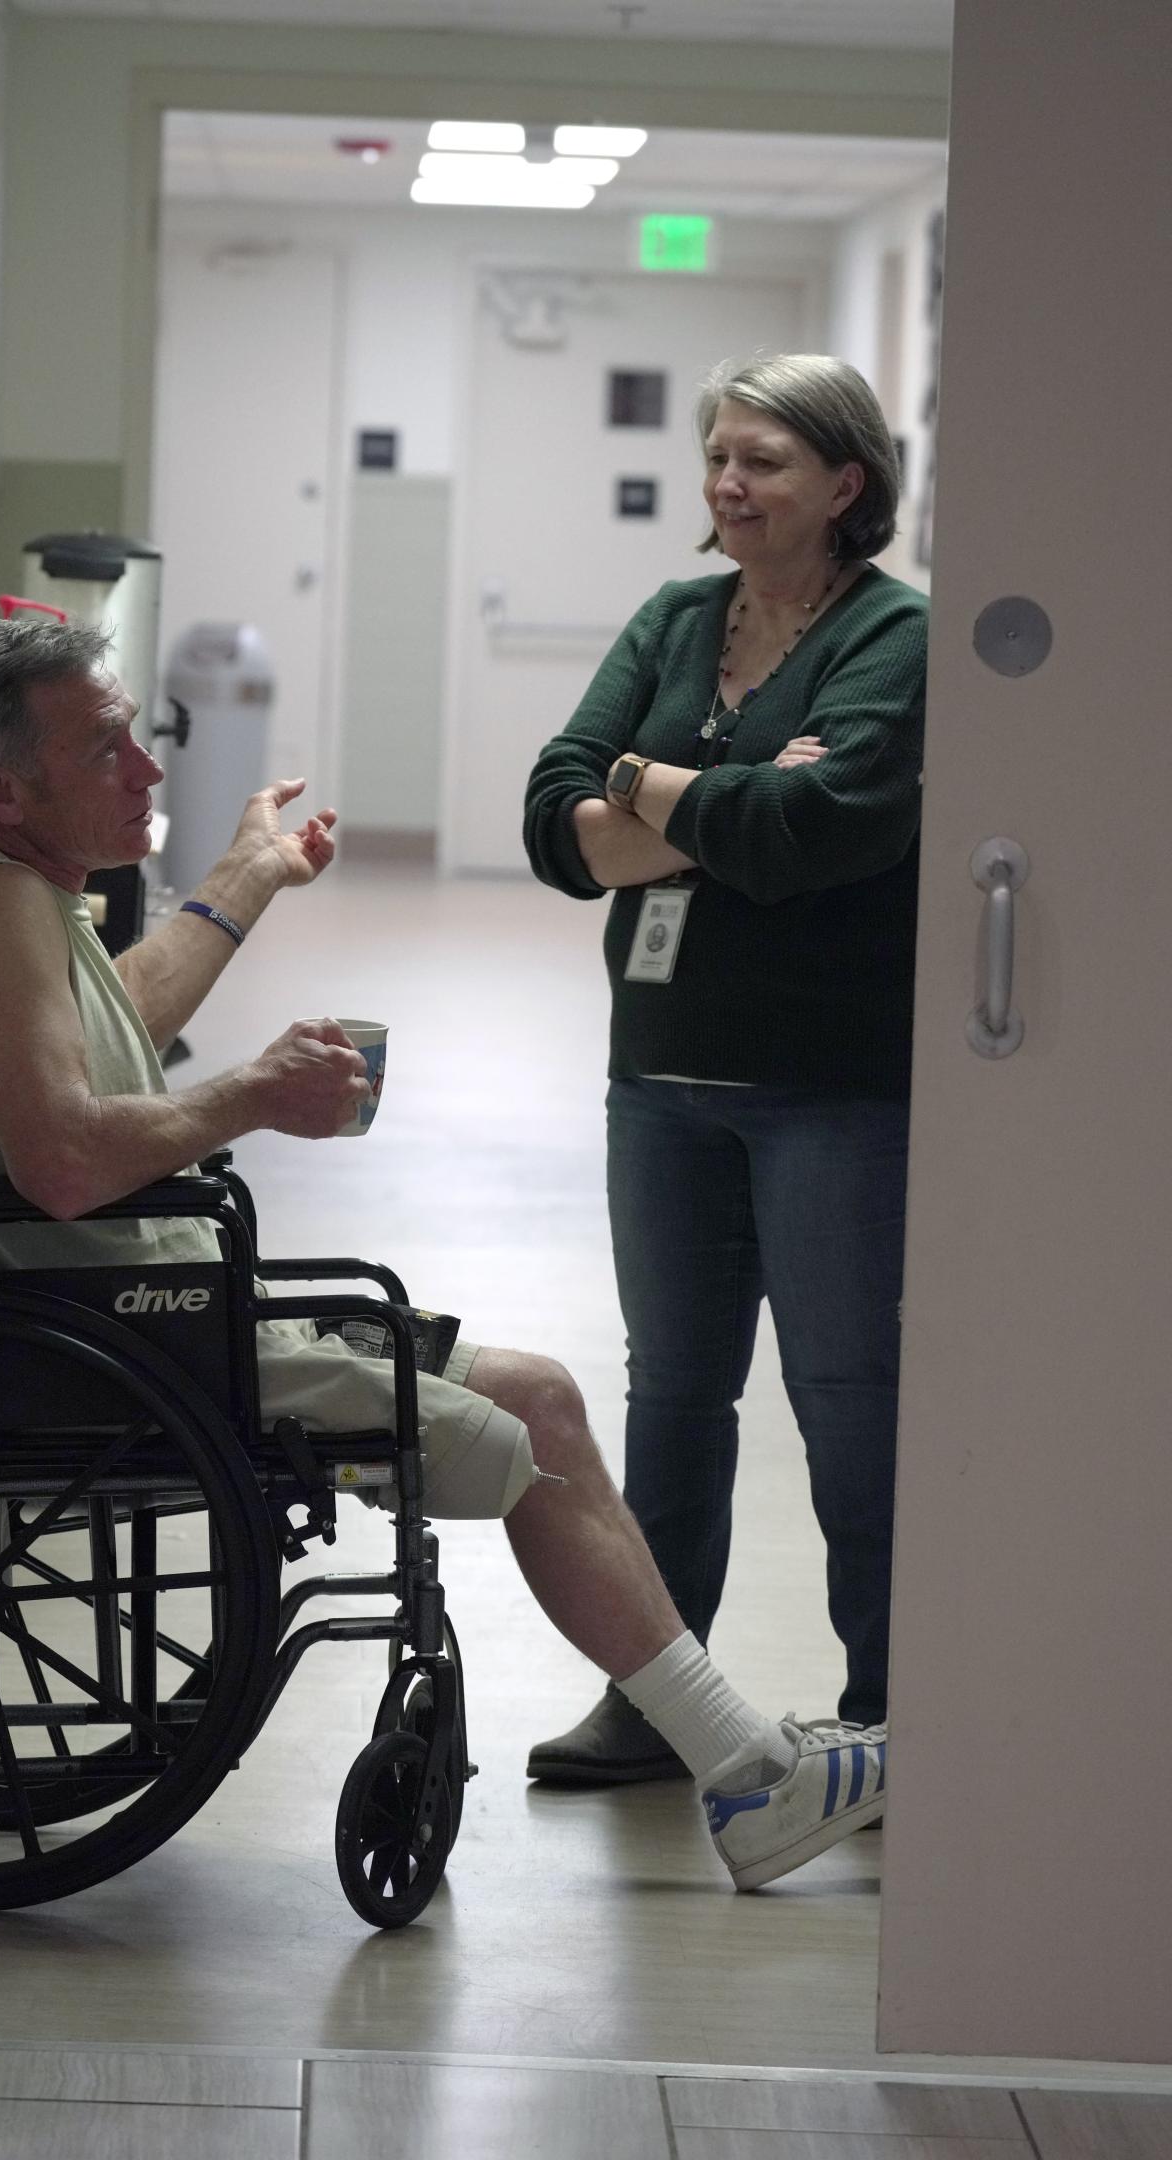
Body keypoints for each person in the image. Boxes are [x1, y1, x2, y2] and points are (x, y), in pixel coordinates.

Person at [0, 614, 887, 1892]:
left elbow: (123, 1028)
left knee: (541, 1390)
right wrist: (252, 1097)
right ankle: (752, 1777)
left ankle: (740, 1762)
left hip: (142, 1307)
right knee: (535, 1428)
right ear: (2, 788)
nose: (149, 767)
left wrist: (247, 878)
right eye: (109, 749)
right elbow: (62, 1160)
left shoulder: (7, 892)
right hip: (112, 1338)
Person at [522, 354, 925, 1785]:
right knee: (674, 1400)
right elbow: (551, 815)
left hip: (831, 1088)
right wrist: (711, 804)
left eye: (762, 461)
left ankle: (890, 1711)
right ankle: (660, 1705)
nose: (729, 485)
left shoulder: (897, 635)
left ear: (845, 483)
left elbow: (834, 820)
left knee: (850, 1402)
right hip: (665, 1075)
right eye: (718, 459)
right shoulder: (677, 619)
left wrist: (643, 785)